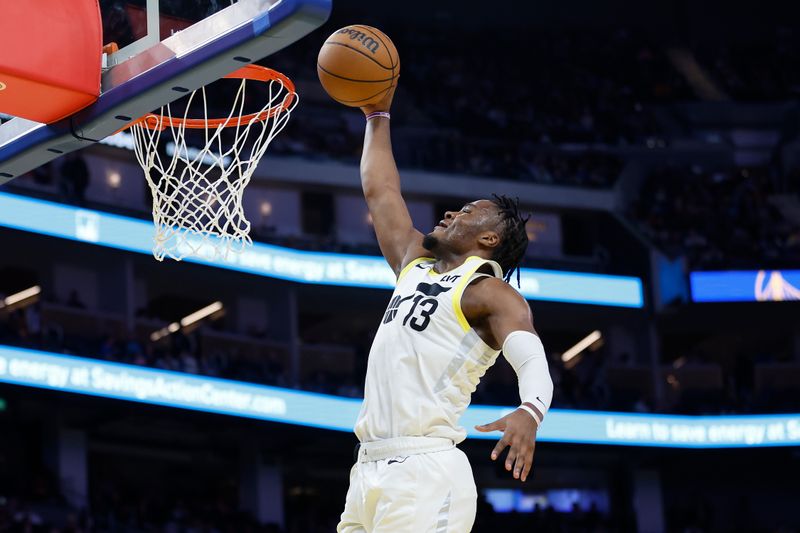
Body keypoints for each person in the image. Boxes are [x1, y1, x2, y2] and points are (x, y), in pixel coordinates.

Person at [337, 85, 554, 532]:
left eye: (468, 212)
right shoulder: (414, 262)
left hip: (425, 471)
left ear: (489, 240)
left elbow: (532, 360)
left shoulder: (489, 293)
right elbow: (380, 191)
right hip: (368, 470)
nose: (452, 213)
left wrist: (529, 411)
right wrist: (377, 114)